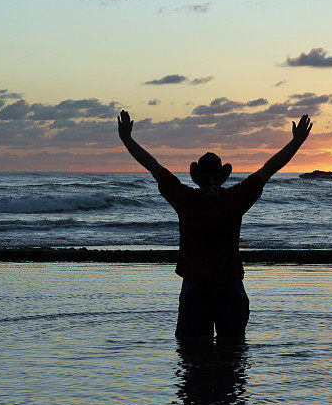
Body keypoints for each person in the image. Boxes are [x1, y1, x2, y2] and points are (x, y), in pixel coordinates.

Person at [117, 109, 312, 339]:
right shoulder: (234, 199)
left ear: (197, 178)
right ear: (222, 178)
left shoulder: (186, 199)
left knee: (192, 359)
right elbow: (269, 168)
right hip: (229, 287)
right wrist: (296, 141)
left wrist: (127, 139)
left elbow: (153, 166)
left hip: (195, 288)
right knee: (233, 356)